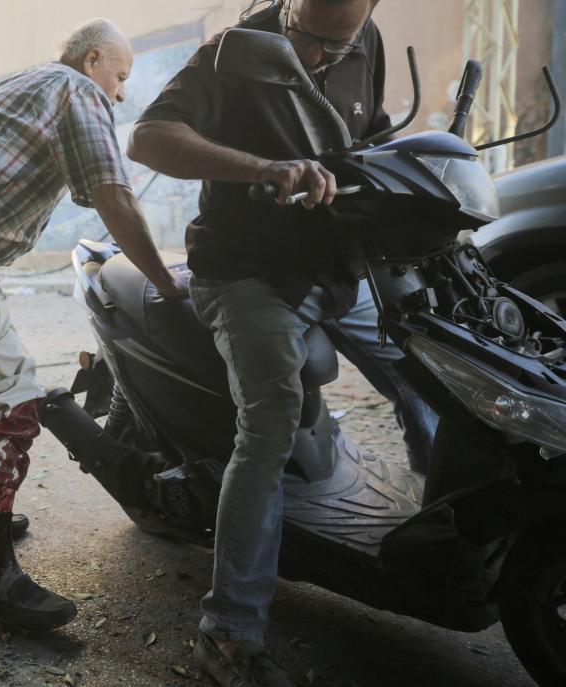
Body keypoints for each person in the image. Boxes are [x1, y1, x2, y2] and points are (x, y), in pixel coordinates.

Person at [128, 1, 435, 684]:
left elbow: (368, 131)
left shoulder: (365, 39)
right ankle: (228, 632)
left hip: (338, 269)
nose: (325, 56)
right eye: (312, 41)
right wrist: (263, 168)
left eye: (340, 44)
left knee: (431, 370)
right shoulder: (231, 51)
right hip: (246, 274)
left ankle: (454, 540)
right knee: (267, 423)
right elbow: (148, 138)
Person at [0, 18, 187, 631]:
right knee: (12, 401)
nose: (120, 93)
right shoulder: (78, 90)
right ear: (93, 59)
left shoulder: (15, 85)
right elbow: (112, 194)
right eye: (120, 76)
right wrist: (162, 281)